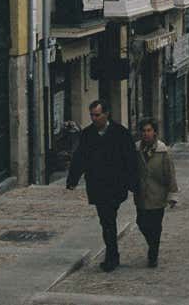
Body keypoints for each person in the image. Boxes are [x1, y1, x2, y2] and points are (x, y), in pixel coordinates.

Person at [67, 100, 138, 272]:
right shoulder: (87, 134)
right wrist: (72, 180)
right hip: (97, 185)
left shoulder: (120, 133)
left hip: (115, 185)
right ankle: (112, 255)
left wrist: (133, 184)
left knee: (108, 220)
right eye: (92, 115)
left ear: (106, 114)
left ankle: (112, 256)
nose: (94, 118)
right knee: (106, 221)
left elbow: (130, 159)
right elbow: (80, 158)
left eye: (97, 115)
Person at [134, 118, 178, 268]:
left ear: (154, 133)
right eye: (143, 131)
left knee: (155, 226)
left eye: (149, 130)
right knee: (141, 223)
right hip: (141, 195)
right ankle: (152, 245)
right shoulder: (136, 150)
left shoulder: (163, 151)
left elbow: (170, 174)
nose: (146, 134)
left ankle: (153, 254)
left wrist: (172, 195)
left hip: (158, 195)